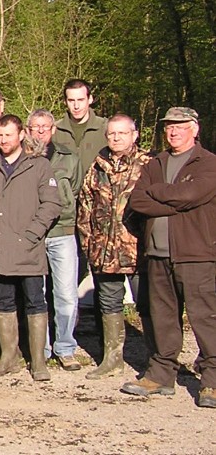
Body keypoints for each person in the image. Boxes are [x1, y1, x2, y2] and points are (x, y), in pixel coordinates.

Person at [124, 107, 216, 408]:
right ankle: (161, 375)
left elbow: (193, 195)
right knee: (163, 318)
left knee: (205, 318)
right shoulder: (156, 163)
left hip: (196, 254)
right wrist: (174, 200)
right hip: (157, 255)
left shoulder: (208, 163)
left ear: (195, 129)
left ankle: (212, 381)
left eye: (179, 126)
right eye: (169, 127)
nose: (173, 132)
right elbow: (137, 200)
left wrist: (160, 194)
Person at [0, 114, 61, 381]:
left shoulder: (39, 165)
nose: (3, 140)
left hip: (29, 249)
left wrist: (33, 233)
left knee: (35, 301)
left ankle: (38, 361)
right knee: (3, 301)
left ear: (21, 135)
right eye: (0, 135)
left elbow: (52, 204)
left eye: (8, 135)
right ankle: (8, 357)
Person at [77, 114, 150, 379]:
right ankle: (112, 359)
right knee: (108, 303)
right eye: (111, 134)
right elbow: (85, 206)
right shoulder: (98, 166)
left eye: (121, 133)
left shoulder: (148, 165)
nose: (116, 138)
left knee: (148, 304)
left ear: (134, 134)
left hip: (138, 250)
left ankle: (156, 362)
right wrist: (89, 242)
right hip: (103, 250)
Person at [26, 109, 83, 371]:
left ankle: (65, 346)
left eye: (44, 127)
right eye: (35, 127)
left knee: (66, 294)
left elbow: (76, 191)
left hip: (62, 233)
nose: (40, 132)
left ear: (53, 130)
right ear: (27, 130)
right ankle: (42, 348)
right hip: (32, 235)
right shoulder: (21, 158)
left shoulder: (69, 158)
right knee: (37, 294)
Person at [55, 79, 108, 178]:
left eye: (81, 100)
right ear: (65, 102)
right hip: (65, 191)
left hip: (97, 191)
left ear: (90, 99)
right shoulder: (55, 131)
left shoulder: (105, 128)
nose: (76, 106)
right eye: (71, 101)